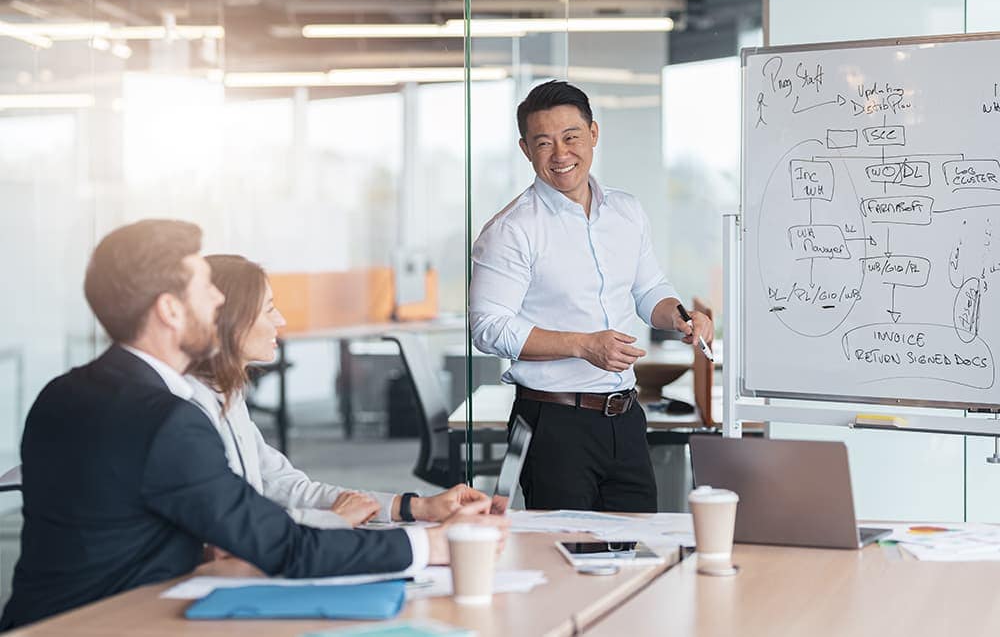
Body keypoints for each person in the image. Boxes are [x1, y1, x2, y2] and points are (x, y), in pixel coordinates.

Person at [1, 220, 505, 630]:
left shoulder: (64, 394)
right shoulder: (165, 420)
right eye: (206, 291)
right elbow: (280, 544)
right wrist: (430, 544)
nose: (219, 303)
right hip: (119, 624)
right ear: (170, 311)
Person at [469, 80, 713, 513]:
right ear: (526, 149)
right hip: (552, 424)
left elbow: (648, 288)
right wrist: (583, 345)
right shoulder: (511, 230)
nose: (561, 154)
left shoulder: (626, 211)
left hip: (626, 420)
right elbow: (487, 329)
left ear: (594, 135)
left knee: (635, 554)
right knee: (566, 562)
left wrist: (679, 316)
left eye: (571, 137)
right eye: (544, 143)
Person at [186, 254, 484, 529]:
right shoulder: (191, 409)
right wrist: (333, 520)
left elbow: (285, 487)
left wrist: (415, 507)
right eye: (269, 309)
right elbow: (227, 531)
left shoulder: (229, 395)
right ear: (230, 320)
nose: (281, 321)